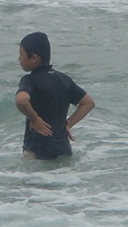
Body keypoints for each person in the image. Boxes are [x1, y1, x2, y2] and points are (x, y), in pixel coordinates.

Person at [15, 32, 95, 160]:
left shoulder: (30, 80)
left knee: (32, 180)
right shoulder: (63, 79)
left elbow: (21, 100)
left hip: (37, 150)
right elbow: (88, 103)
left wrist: (34, 118)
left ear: (34, 58)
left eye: (21, 55)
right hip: (63, 148)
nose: (19, 59)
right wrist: (68, 124)